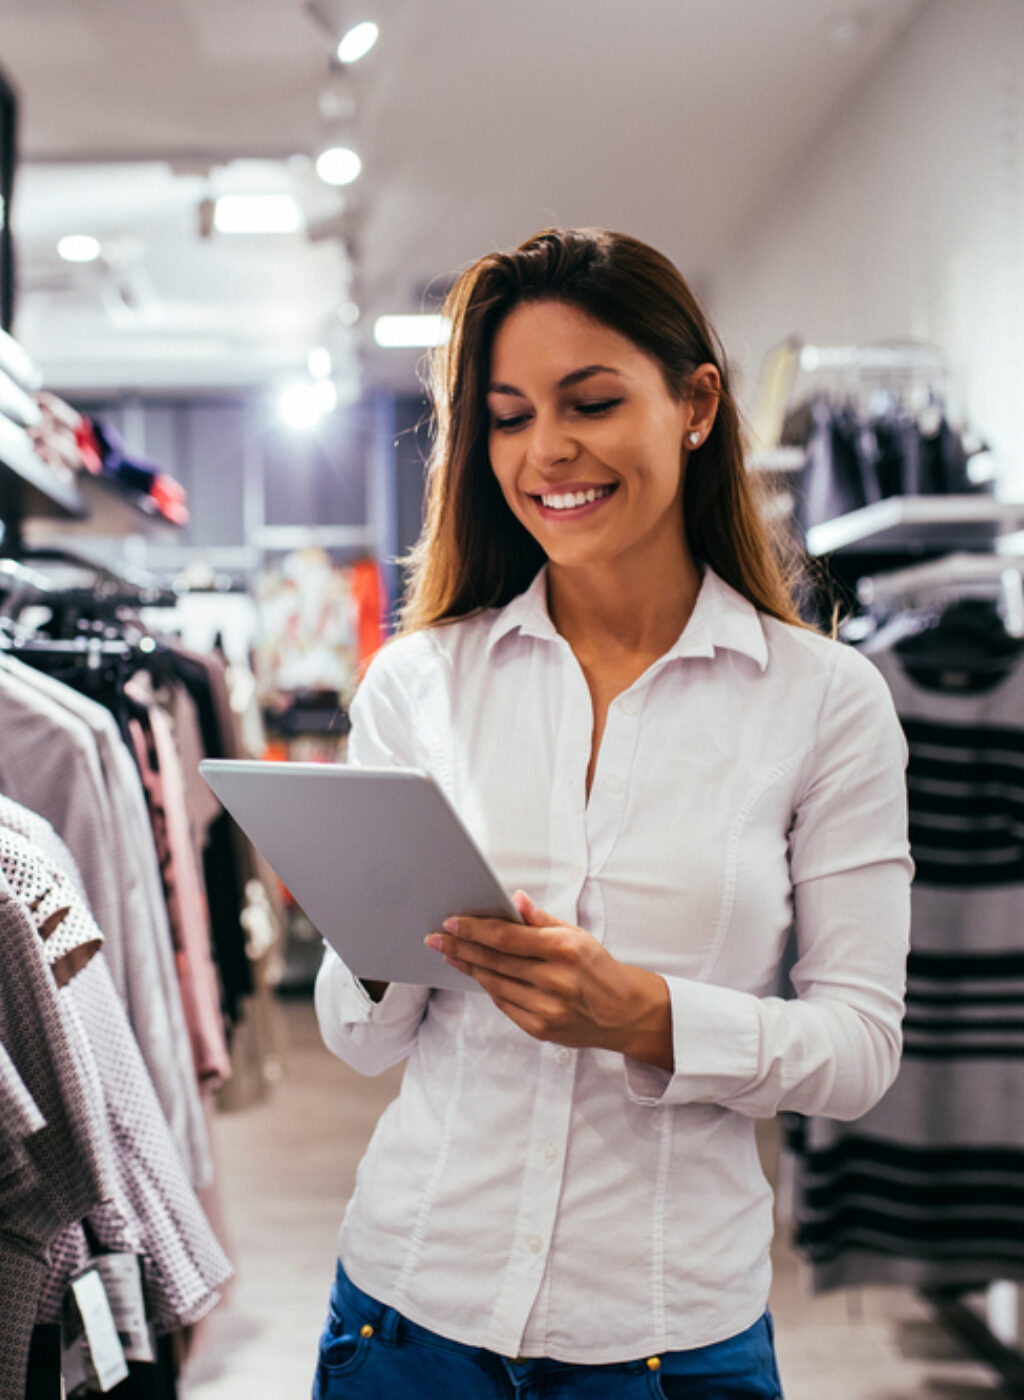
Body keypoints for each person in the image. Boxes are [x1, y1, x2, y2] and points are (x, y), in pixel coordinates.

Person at [312, 227, 912, 1399]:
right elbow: (359, 1039)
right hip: (404, 1313)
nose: (547, 451)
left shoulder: (822, 703)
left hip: (664, 1333)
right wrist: (381, 939)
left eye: (588, 401)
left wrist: (648, 1016)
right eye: (507, 414)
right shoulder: (420, 683)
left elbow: (858, 1048)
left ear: (693, 404)